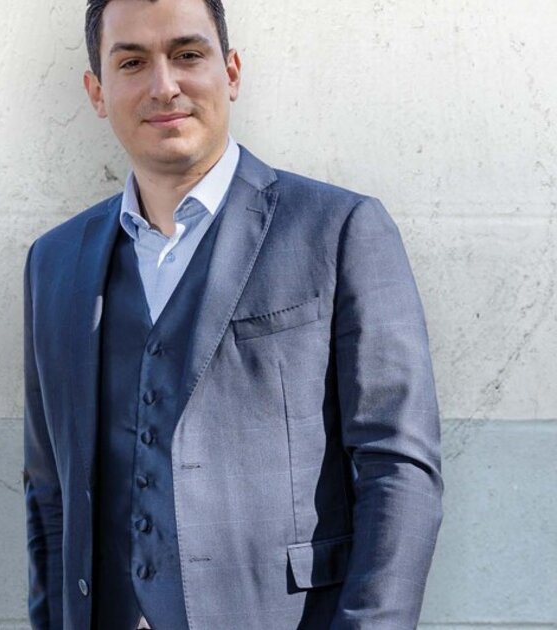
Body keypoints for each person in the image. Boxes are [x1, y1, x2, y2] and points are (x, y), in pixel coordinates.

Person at [23, 0, 442, 627]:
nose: (164, 85)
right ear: (97, 92)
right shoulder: (54, 262)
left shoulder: (339, 229)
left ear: (233, 72)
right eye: (132, 63)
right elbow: (48, 491)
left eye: (188, 55)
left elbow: (398, 467)